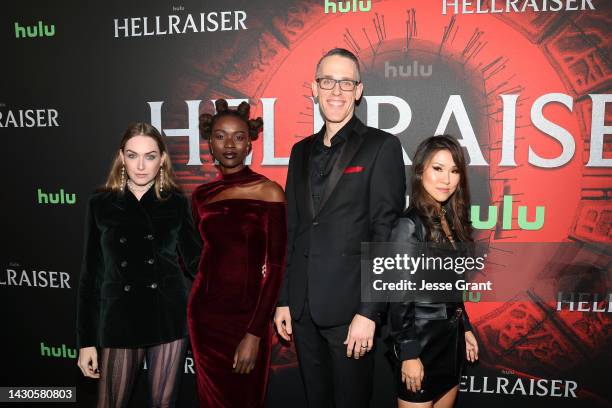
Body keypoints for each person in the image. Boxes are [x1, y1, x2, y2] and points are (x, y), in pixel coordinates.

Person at [274, 48, 406, 408]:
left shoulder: (382, 147)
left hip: (351, 312)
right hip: (302, 308)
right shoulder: (300, 151)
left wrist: (369, 311)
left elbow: (387, 237)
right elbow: (294, 228)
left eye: (345, 82)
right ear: (314, 89)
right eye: (327, 81)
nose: (336, 90)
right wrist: (284, 299)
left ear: (358, 90)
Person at [76, 123, 202, 407]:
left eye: (150, 156)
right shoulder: (101, 204)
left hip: (167, 312)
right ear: (122, 157)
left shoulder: (176, 202)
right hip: (121, 314)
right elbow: (91, 276)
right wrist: (86, 342)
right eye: (133, 156)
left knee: (162, 403)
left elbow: (197, 262)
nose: (141, 165)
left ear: (162, 159)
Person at [189, 99, 287, 408]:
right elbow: (192, 255)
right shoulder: (200, 195)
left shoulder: (269, 191)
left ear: (249, 144)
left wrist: (255, 333)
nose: (229, 144)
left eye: (238, 136)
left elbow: (276, 266)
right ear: (210, 143)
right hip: (205, 319)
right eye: (220, 136)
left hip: (247, 321)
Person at [388, 135, 479, 408]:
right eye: (437, 169)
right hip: (421, 345)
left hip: (449, 345)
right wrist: (408, 354)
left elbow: (451, 288)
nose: (446, 180)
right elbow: (399, 296)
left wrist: (465, 328)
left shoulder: (452, 222)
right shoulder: (408, 226)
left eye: (454, 171)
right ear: (420, 172)